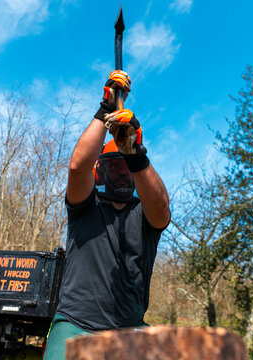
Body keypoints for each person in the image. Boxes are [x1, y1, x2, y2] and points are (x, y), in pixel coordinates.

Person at [43, 70, 170, 360]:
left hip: (129, 330)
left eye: (127, 169)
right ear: (100, 171)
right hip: (76, 327)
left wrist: (134, 153)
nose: (123, 174)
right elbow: (77, 167)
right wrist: (106, 109)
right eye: (115, 166)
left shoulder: (145, 214)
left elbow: (162, 209)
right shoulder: (85, 205)